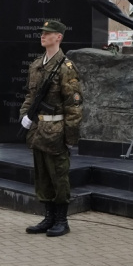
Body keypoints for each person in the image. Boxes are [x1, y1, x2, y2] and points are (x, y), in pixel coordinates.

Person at [20, 20, 84, 237]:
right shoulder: (36, 65)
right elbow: (31, 96)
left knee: (59, 175)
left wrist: (70, 137)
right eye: (42, 33)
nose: (43, 36)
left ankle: (61, 220)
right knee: (42, 175)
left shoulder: (66, 68)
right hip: (38, 129)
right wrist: (24, 117)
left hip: (56, 131)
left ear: (59, 37)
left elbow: (73, 106)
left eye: (48, 33)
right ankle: (48, 217)